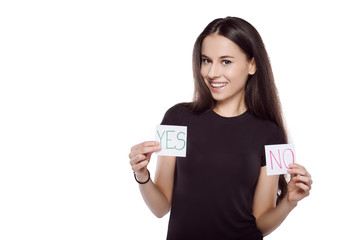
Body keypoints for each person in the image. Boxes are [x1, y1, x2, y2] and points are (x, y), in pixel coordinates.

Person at [129, 16, 312, 240]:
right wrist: (142, 174)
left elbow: (261, 222)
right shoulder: (176, 119)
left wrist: (289, 202)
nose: (212, 72)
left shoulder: (272, 134)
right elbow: (160, 208)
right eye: (206, 60)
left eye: (226, 61)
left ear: (252, 64)